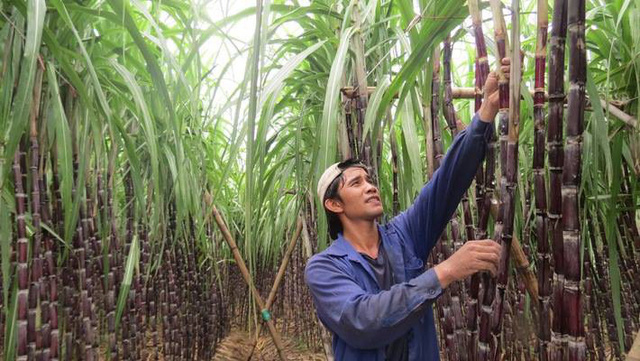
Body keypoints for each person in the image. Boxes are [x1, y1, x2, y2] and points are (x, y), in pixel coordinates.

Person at [304, 58, 512, 360]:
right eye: (356, 183)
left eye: (369, 180)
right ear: (334, 204)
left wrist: (486, 112)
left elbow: (446, 184)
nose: (370, 186)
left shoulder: (403, 236)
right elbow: (364, 321)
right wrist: (446, 271)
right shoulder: (324, 267)